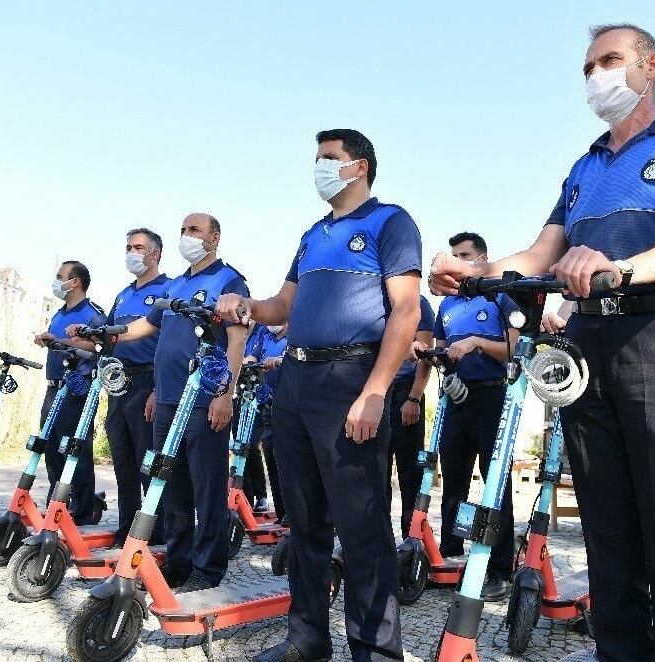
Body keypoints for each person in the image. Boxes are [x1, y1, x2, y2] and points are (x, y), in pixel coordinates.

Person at [430, 24, 655, 662]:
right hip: (586, 345)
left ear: (651, 65)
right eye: (588, 67)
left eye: (610, 60)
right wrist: (474, 273)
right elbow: (539, 254)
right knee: (607, 530)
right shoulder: (585, 165)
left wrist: (620, 269)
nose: (597, 75)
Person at [216, 128, 421, 662]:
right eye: (317, 159)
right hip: (295, 380)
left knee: (361, 524)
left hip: (350, 378)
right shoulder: (311, 234)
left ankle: (375, 651)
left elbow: (406, 310)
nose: (319, 168)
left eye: (329, 158)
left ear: (360, 166)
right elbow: (281, 307)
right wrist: (247, 307)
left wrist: (375, 390)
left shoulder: (390, 222)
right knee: (304, 521)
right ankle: (307, 640)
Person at [84, 213, 248, 592]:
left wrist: (225, 394)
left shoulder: (228, 281)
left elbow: (237, 341)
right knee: (170, 486)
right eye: (183, 230)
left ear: (214, 238)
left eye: (195, 230)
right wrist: (105, 334)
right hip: (169, 401)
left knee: (207, 488)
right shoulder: (174, 285)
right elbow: (145, 325)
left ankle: (207, 570)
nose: (187, 236)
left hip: (205, 400)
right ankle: (178, 562)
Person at [424, 232, 519, 602]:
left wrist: (478, 343)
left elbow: (513, 348)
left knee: (495, 482)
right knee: (453, 478)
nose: (458, 261)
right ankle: (451, 554)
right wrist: (427, 354)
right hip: (456, 397)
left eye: (465, 255)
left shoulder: (499, 295)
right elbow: (440, 350)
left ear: (481, 258)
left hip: (492, 395)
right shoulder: (448, 305)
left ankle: (500, 568)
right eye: (454, 255)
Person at [104, 228, 169, 545]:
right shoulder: (122, 295)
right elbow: (106, 337)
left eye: (138, 247)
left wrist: (159, 389)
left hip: (148, 380)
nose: (131, 253)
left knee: (148, 463)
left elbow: (171, 345)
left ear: (155, 253)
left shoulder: (168, 290)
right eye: (128, 247)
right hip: (119, 382)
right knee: (123, 461)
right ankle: (127, 527)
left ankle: (156, 529)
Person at [33, 260, 106, 525]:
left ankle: (83, 511)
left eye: (59, 276)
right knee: (51, 448)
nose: (56, 281)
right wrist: (46, 340)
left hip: (78, 388)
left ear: (74, 282)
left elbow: (101, 346)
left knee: (75, 449)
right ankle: (58, 504)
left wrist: (60, 342)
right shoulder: (59, 313)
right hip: (53, 387)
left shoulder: (93, 314)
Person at [387, 295, 434, 541]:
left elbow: (425, 356)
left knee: (410, 473)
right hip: (375, 393)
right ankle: (380, 539)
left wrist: (414, 398)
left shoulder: (419, 303)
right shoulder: (370, 301)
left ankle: (411, 539)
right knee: (375, 472)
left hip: (405, 393)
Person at [249, 322, 290, 523]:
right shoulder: (265, 335)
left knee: (288, 459)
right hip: (268, 404)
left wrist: (279, 360)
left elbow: (295, 357)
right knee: (270, 452)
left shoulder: (294, 335)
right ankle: (283, 514)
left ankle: (295, 513)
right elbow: (252, 357)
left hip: (289, 405)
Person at [238, 322, 271, 512]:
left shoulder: (262, 330)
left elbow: (255, 358)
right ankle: (245, 498)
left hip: (260, 399)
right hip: (241, 396)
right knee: (240, 447)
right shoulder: (236, 330)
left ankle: (261, 495)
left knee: (251, 447)